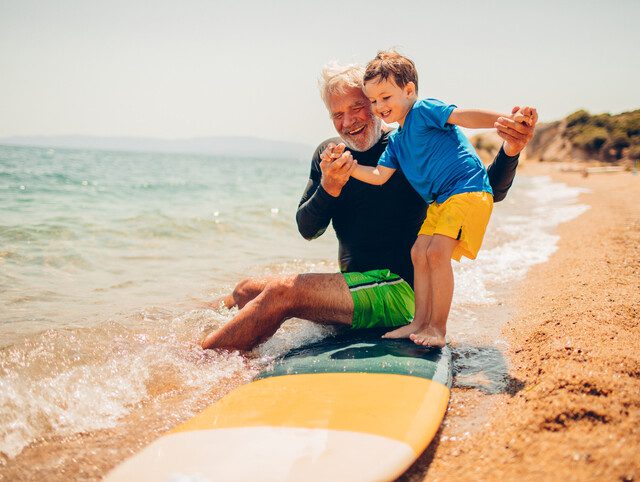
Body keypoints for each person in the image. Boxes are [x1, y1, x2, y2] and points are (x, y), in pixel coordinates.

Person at [200, 62, 537, 352]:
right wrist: (329, 187)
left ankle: (198, 359)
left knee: (281, 293)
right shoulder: (329, 155)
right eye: (337, 114)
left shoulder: (405, 147)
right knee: (245, 290)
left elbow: (482, 191)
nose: (348, 122)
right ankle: (231, 355)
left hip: (399, 290)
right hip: (358, 286)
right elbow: (308, 228)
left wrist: (510, 149)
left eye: (357, 107)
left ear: (376, 105)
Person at [347, 50, 533, 347]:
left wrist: (504, 120)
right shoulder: (395, 141)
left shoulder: (423, 110)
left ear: (409, 90)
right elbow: (380, 176)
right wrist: (350, 168)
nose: (379, 106)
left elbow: (463, 117)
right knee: (419, 252)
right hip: (440, 201)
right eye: (373, 101)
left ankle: (438, 328)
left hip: (467, 189)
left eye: (385, 97)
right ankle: (418, 322)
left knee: (436, 254)